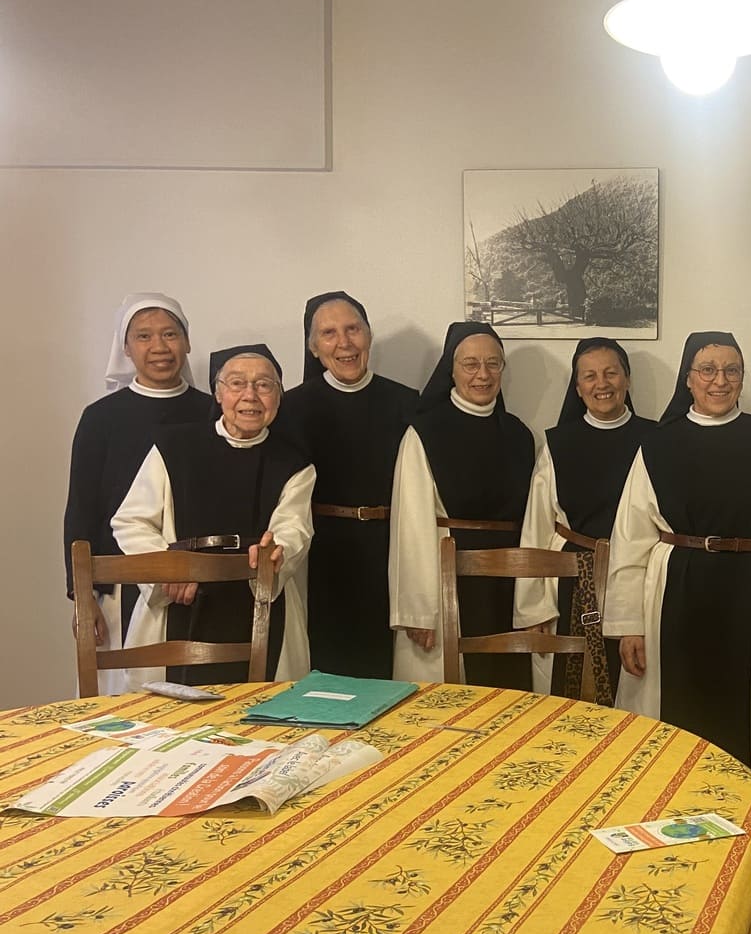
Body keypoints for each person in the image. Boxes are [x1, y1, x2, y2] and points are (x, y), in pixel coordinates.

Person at [605, 330, 751, 784]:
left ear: (742, 377)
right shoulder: (658, 444)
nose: (720, 381)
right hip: (673, 594)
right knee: (672, 727)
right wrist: (628, 625)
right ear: (688, 378)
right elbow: (630, 537)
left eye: (731, 370)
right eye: (707, 370)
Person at [111, 345, 314, 690]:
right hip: (181, 598)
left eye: (264, 385)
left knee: (259, 708)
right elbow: (131, 520)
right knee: (170, 715)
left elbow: (293, 528)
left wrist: (275, 552)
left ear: (279, 397)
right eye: (237, 383)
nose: (250, 395)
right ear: (218, 393)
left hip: (258, 603)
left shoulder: (295, 463)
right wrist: (168, 568)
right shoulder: (174, 447)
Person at [64, 293, 212, 694]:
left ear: (187, 341)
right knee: (120, 704)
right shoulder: (100, 418)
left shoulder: (212, 412)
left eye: (170, 334)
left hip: (195, 587)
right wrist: (83, 597)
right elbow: (81, 509)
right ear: (126, 348)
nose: (159, 346)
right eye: (144, 336)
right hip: (119, 586)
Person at [278, 291, 418, 678]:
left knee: (388, 668)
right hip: (321, 552)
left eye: (353, 329)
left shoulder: (406, 401)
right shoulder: (293, 407)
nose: (344, 343)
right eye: (329, 333)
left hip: (390, 547)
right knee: (326, 666)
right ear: (313, 347)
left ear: (369, 335)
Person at [388, 323, 534, 687]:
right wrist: (418, 611)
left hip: (507, 585)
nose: (482, 375)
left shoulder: (519, 434)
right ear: (450, 370)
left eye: (493, 363)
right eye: (470, 364)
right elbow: (411, 526)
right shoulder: (424, 432)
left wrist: (534, 602)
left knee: (509, 694)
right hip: (445, 582)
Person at [514, 337, 655, 701]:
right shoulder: (558, 443)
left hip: (640, 580)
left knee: (636, 690)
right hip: (571, 581)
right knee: (569, 696)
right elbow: (537, 528)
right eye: (589, 376)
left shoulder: (657, 439)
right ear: (577, 388)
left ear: (627, 379)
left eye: (611, 373)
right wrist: (532, 608)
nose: (601, 384)